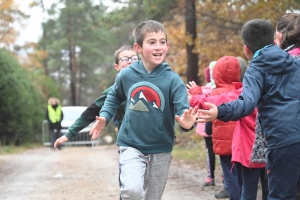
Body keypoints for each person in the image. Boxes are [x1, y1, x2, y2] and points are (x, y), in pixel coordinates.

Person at [85, 20, 197, 200]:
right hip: (130, 143)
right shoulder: (126, 75)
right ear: (138, 47)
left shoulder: (173, 80)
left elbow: (183, 110)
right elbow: (114, 96)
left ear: (167, 46)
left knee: (152, 197)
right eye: (151, 42)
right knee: (132, 191)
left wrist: (186, 124)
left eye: (162, 42)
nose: (158, 46)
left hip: (161, 147)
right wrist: (105, 117)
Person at [197, 19, 300, 199]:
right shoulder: (294, 61)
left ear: (246, 49)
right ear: (275, 40)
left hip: (282, 141)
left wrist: (218, 112)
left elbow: (246, 104)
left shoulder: (256, 69)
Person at [54, 45, 138, 146]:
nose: (130, 61)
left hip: (155, 143)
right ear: (117, 67)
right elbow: (90, 113)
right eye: (124, 59)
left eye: (134, 58)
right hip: (129, 144)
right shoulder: (113, 91)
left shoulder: (153, 84)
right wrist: (69, 133)